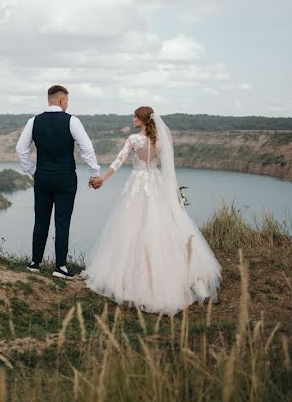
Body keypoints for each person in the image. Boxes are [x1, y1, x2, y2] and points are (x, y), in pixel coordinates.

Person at [84, 106, 220, 315]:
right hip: (156, 185)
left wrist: (102, 179)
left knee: (132, 229)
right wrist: (172, 194)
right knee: (163, 229)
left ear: (143, 120)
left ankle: (132, 282)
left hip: (137, 186)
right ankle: (177, 276)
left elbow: (118, 162)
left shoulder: (133, 140)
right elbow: (168, 170)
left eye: (135, 117)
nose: (132, 119)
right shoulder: (161, 141)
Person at [16, 85, 102, 279]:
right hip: (65, 178)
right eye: (67, 100)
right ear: (62, 100)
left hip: (43, 177)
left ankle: (34, 263)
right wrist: (94, 172)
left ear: (49, 99)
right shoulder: (72, 121)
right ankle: (60, 267)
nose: (67, 104)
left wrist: (32, 170)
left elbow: (21, 149)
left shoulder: (33, 121)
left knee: (41, 220)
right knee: (62, 222)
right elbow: (86, 148)